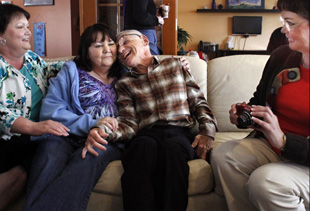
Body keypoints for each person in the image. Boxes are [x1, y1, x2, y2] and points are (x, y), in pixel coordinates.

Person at [85, 29, 217, 211]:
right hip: (146, 133)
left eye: (124, 41)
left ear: (145, 40)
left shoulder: (175, 65)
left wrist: (207, 132)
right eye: (118, 48)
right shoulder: (124, 83)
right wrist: (104, 131)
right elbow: (129, 124)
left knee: (173, 149)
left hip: (179, 131)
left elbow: (198, 103)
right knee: (141, 148)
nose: (121, 49)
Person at [211, 0, 309, 210]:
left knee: (266, 181)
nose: (284, 30)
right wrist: (243, 115)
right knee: (224, 155)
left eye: (290, 23)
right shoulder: (281, 56)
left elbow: (284, 142)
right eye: (283, 21)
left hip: (302, 157)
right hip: (273, 147)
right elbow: (259, 101)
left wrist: (284, 141)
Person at [22, 23, 126, 211]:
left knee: (89, 155)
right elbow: (51, 110)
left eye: (111, 44)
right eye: (98, 45)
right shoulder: (71, 71)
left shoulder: (126, 74)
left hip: (107, 139)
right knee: (49, 152)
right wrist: (91, 123)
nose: (107, 50)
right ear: (86, 52)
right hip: (66, 135)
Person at [0, 4, 69, 210]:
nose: (28, 31)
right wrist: (32, 127)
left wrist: (84, 61)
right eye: (20, 27)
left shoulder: (31, 60)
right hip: (9, 138)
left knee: (36, 161)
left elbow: (50, 70)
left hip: (34, 139)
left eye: (27, 26)